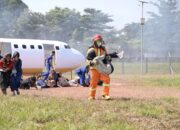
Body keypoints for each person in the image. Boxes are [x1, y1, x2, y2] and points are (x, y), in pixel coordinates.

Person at [86, 34, 112, 100]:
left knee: (107, 79)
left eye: (100, 40)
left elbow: (106, 58)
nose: (99, 42)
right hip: (94, 69)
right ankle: (92, 96)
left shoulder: (103, 49)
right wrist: (91, 62)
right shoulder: (91, 50)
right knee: (93, 82)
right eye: (98, 40)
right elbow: (87, 60)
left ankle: (105, 94)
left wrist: (108, 59)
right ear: (94, 41)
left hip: (102, 68)